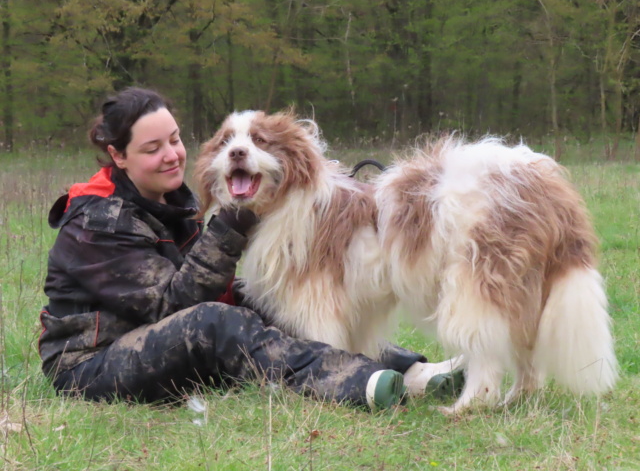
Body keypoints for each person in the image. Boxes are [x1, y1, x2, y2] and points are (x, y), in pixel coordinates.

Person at [39, 87, 463, 411]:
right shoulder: (97, 220)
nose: (172, 156)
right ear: (118, 155)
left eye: (175, 139)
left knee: (270, 299)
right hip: (92, 366)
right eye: (153, 149)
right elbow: (172, 306)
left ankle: (410, 369)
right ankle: (357, 383)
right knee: (216, 322)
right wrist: (232, 221)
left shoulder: (170, 200)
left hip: (157, 342)